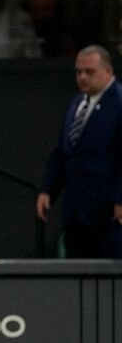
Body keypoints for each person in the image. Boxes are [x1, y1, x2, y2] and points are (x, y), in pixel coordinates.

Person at [37, 45, 122, 258]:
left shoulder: (119, 103)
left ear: (108, 71)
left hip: (108, 214)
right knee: (77, 270)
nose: (82, 77)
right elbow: (63, 151)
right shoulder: (77, 104)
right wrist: (47, 189)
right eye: (78, 72)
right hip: (77, 213)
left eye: (89, 72)